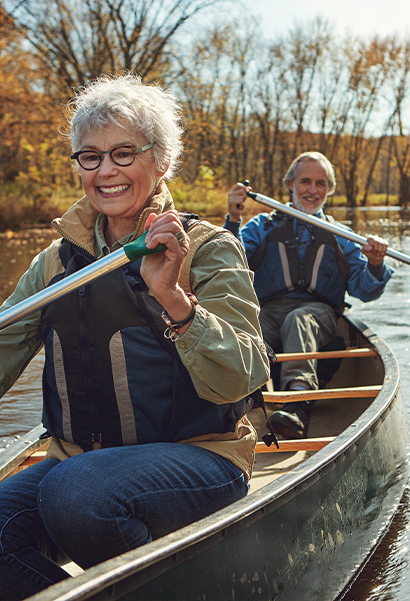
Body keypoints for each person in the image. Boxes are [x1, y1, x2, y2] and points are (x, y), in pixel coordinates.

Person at [0, 73, 270, 600]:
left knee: (76, 495)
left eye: (124, 154)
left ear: (162, 161)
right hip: (75, 462)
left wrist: (174, 300)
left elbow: (244, 373)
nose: (105, 171)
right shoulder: (55, 262)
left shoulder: (207, 248)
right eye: (90, 156)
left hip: (198, 459)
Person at [224, 151, 393, 440]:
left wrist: (376, 263)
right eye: (305, 181)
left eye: (321, 183)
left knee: (298, 320)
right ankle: (234, 405)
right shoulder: (261, 226)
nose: (313, 190)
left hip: (318, 314)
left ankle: (298, 404)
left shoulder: (341, 235)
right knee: (244, 325)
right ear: (290, 184)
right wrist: (234, 219)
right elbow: (227, 265)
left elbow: (365, 290)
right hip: (268, 311)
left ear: (329, 189)